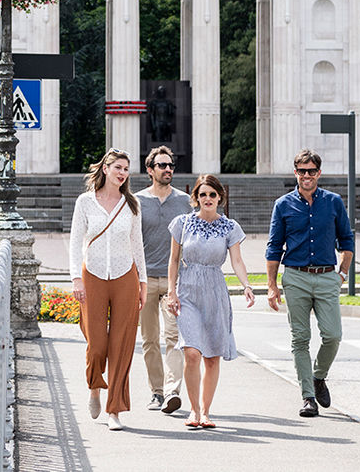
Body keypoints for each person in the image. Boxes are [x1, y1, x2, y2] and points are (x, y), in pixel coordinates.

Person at [265, 149, 355, 419]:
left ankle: (318, 377)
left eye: (311, 171)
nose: (307, 175)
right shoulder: (283, 205)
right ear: (295, 172)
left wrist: (342, 274)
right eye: (302, 171)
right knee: (300, 339)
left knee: (333, 335)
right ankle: (307, 397)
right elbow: (273, 247)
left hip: (327, 276)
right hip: (295, 276)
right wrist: (271, 285)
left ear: (319, 173)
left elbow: (347, 240)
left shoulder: (333, 202)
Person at [165, 175, 255, 429]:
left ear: (219, 198)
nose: (207, 199)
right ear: (196, 197)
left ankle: (205, 412)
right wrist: (172, 291)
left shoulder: (230, 227)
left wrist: (246, 285)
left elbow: (237, 261)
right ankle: (193, 411)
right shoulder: (182, 224)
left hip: (215, 291)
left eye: (212, 195)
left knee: (212, 356)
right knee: (192, 352)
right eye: (203, 194)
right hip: (188, 291)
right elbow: (173, 261)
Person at [69, 148, 148, 431]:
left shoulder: (132, 204)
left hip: (126, 276)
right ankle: (94, 386)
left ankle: (115, 408)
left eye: (126, 169)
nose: (123, 173)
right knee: (98, 343)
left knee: (121, 345)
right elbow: (75, 241)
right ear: (105, 168)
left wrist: (143, 283)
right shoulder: (85, 202)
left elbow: (137, 245)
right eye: (118, 167)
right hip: (92, 275)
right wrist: (75, 279)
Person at [135, 146, 193, 415]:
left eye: (170, 165)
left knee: (173, 337)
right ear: (150, 170)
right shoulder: (135, 201)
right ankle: (156, 392)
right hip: (144, 281)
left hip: (174, 282)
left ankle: (172, 391)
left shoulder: (184, 201)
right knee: (149, 340)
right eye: (162, 165)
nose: (168, 169)